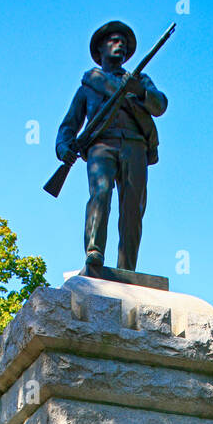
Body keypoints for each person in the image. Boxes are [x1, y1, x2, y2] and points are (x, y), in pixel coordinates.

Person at [55, 20, 168, 273]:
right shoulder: (89, 86)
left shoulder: (139, 80)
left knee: (133, 207)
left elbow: (160, 106)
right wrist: (63, 147)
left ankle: (127, 267)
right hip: (101, 146)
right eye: (114, 41)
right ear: (101, 49)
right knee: (100, 193)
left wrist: (139, 90)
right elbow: (68, 125)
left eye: (124, 43)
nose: (121, 45)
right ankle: (94, 251)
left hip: (135, 146)